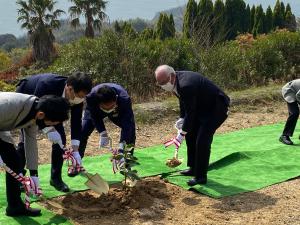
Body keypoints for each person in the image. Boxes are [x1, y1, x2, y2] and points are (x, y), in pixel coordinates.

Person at [16, 72, 93, 192]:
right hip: (28, 98)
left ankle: (56, 178)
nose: (81, 99)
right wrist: (48, 129)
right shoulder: (48, 85)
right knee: (26, 138)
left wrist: (76, 149)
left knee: (60, 139)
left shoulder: (78, 98)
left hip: (51, 108)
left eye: (84, 97)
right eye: (79, 95)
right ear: (69, 88)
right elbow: (36, 109)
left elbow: (76, 121)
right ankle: (19, 176)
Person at [155, 65, 230, 186]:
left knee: (202, 140)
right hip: (202, 106)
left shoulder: (186, 84)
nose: (163, 86)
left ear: (172, 76)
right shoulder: (175, 81)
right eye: (159, 84)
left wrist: (182, 133)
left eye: (163, 82)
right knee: (191, 135)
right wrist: (182, 118)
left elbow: (191, 112)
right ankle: (193, 168)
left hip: (217, 108)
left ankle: (200, 177)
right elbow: (183, 101)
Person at [0, 92, 70, 217]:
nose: (52, 127)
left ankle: (15, 207)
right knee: (12, 160)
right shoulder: (7, 105)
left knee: (14, 161)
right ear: (42, 115)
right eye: (52, 124)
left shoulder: (35, 113)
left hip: (1, 127)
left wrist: (34, 174)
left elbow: (30, 142)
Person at [76, 83, 136, 172]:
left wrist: (121, 150)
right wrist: (103, 133)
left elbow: (126, 125)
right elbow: (94, 116)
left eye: (110, 106)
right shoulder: (91, 97)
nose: (108, 109)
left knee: (130, 132)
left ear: (116, 98)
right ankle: (76, 163)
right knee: (82, 132)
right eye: (106, 108)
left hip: (118, 111)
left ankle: (126, 165)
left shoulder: (124, 99)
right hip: (97, 111)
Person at [279, 79, 300, 145]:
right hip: (289, 90)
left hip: (297, 92)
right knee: (294, 113)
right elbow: (298, 95)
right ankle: (284, 136)